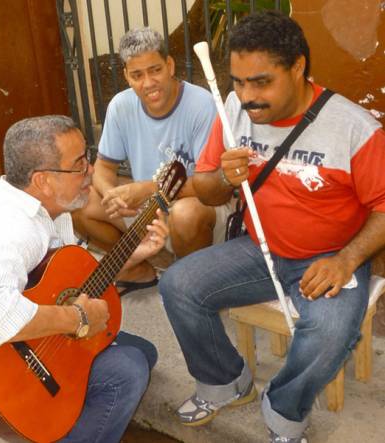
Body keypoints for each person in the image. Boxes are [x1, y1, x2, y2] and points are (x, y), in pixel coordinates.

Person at [159, 10, 385, 443]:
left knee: (329, 331)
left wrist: (348, 259)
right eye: (239, 82)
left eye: (261, 82)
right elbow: (205, 190)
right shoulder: (233, 112)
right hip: (260, 249)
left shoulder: (355, 128)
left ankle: (283, 410)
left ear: (298, 67)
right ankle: (227, 382)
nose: (247, 97)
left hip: (333, 256)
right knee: (178, 285)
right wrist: (223, 177)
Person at [0, 115, 169, 443]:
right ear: (42, 180)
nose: (90, 172)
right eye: (79, 165)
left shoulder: (50, 212)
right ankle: (51, 421)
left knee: (144, 351)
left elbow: (73, 280)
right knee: (128, 371)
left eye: (88, 158)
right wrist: (77, 317)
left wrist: (135, 255)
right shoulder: (9, 229)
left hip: (33, 350)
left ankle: (62, 408)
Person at [72, 27, 229, 290]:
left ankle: (192, 286)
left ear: (169, 65)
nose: (148, 83)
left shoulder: (202, 105)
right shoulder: (121, 106)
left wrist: (147, 189)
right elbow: (103, 167)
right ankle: (149, 264)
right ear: (126, 76)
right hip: (147, 209)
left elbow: (211, 184)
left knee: (185, 213)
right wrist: (113, 196)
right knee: (80, 201)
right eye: (137, 75)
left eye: (155, 70)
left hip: (197, 206)